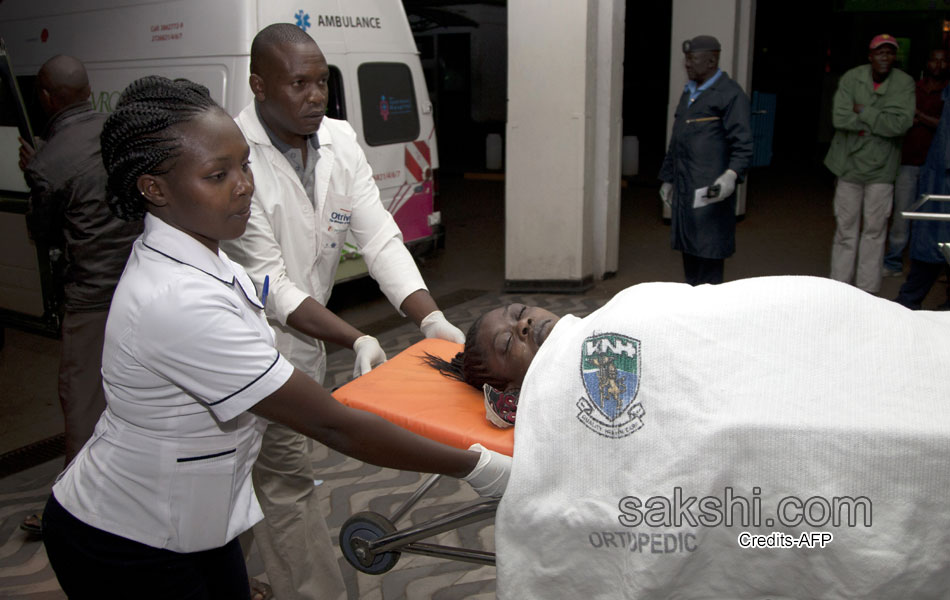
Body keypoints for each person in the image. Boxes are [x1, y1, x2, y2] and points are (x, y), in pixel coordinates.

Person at [40, 75, 508, 600]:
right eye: (218, 175)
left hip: (196, 522)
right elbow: (334, 426)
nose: (244, 185)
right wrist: (478, 464)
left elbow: (360, 245)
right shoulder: (177, 299)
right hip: (125, 537)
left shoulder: (203, 254)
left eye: (244, 166)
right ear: (154, 188)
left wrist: (416, 320)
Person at [426, 277, 950, 599]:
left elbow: (708, 312)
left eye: (521, 315)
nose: (524, 327)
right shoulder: (565, 391)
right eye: (508, 342)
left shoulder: (616, 316)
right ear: (511, 386)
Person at [217, 23, 466, 600]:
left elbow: (379, 238)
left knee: (264, 479)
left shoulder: (339, 140)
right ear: (257, 85)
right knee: (286, 484)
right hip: (247, 343)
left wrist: (429, 318)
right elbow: (271, 285)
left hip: (304, 340)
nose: (314, 96)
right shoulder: (232, 154)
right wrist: (355, 338)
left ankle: (225, 577)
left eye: (321, 82)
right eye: (297, 83)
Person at [17, 55, 142, 535]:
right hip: (141, 286)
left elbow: (44, 234)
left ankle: (73, 517)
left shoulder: (49, 160)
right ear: (89, 90)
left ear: (47, 98)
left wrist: (37, 177)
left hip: (91, 302)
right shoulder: (119, 131)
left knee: (83, 407)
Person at [658, 34, 753, 286]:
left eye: (693, 60)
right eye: (686, 60)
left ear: (711, 61)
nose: (687, 65)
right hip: (686, 188)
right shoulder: (689, 93)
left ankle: (709, 319)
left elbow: (743, 145)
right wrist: (667, 178)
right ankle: (693, 312)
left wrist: (731, 175)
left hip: (711, 192)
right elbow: (676, 140)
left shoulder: (730, 95)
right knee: (690, 256)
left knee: (709, 257)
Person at [826, 33, 915, 294]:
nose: (884, 57)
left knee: (874, 232)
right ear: (870, 56)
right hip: (848, 165)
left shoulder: (905, 83)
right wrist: (879, 123)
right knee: (845, 229)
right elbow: (840, 118)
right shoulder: (852, 77)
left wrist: (864, 111)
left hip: (882, 170)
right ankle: (839, 287)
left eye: (889, 52)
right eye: (879, 52)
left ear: (894, 57)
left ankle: (867, 291)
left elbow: (900, 124)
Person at [882, 48, 948, 278]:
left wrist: (919, 116)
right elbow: (900, 116)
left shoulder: (947, 92)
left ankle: (929, 267)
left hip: (937, 167)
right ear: (926, 63)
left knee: (933, 217)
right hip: (909, 160)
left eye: (943, 61)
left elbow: (944, 124)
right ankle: (894, 261)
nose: (938, 65)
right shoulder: (914, 88)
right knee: (902, 213)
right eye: (933, 60)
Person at [895, 81, 950, 310]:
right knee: (933, 237)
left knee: (935, 239)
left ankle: (908, 301)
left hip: (943, 173)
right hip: (940, 171)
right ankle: (908, 300)